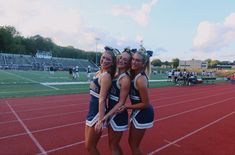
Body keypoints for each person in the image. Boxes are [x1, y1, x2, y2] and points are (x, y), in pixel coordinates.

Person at [96, 47, 132, 155]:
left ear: (129, 64)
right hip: (111, 113)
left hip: (117, 115)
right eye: (121, 58)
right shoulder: (116, 75)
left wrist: (105, 117)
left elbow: (121, 102)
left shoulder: (125, 79)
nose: (121, 61)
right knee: (112, 145)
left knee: (113, 145)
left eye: (125, 60)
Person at [120, 46, 154, 155]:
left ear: (143, 64)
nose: (134, 62)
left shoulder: (140, 79)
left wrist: (126, 107)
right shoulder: (134, 74)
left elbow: (146, 103)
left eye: (137, 60)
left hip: (143, 113)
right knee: (132, 143)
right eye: (133, 59)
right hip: (139, 112)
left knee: (134, 145)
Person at [85, 46, 118, 155]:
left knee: (91, 147)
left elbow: (102, 99)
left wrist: (100, 120)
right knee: (88, 146)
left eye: (108, 59)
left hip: (97, 113)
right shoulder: (99, 72)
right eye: (103, 57)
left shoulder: (106, 76)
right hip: (91, 111)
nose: (104, 60)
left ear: (113, 62)